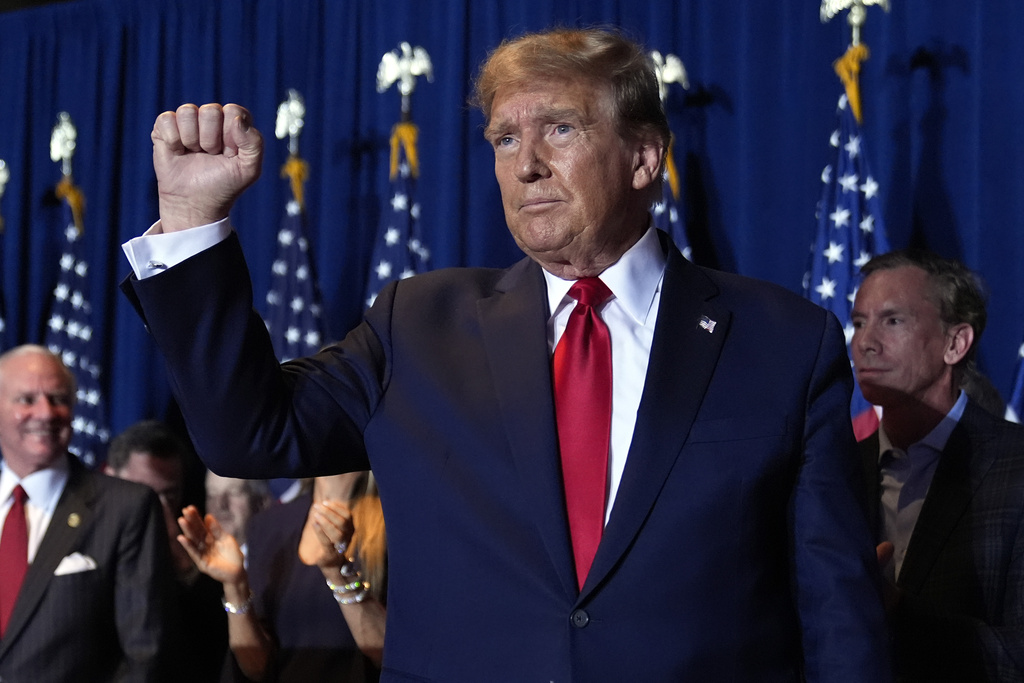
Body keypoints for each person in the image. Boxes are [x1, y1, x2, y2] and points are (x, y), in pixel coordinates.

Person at [121, 28, 890, 681]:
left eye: (559, 129)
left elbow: (836, 603)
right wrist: (191, 221)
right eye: (504, 138)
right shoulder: (416, 323)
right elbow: (250, 434)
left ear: (645, 157)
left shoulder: (782, 339)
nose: (525, 164)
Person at [851, 249, 1024, 681]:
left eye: (892, 321)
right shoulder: (832, 468)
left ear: (955, 343)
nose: (864, 342)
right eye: (858, 322)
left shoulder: (1017, 467)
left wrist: (896, 610)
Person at [0, 345, 174, 680]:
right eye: (26, 400)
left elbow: (145, 654)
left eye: (58, 399)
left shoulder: (125, 508)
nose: (46, 413)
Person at [178, 472, 386, 682]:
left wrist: (337, 571)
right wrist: (235, 584)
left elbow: (391, 654)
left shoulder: (394, 523)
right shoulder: (271, 525)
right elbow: (257, 668)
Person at [105, 419, 230, 682]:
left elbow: (215, 646)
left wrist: (185, 569)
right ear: (110, 477)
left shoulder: (194, 546)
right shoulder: (87, 537)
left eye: (169, 495)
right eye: (144, 494)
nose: (158, 508)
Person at [204, 470, 273, 560]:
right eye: (212, 495)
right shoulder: (196, 567)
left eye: (234, 492)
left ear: (262, 502)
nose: (220, 504)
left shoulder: (282, 561)